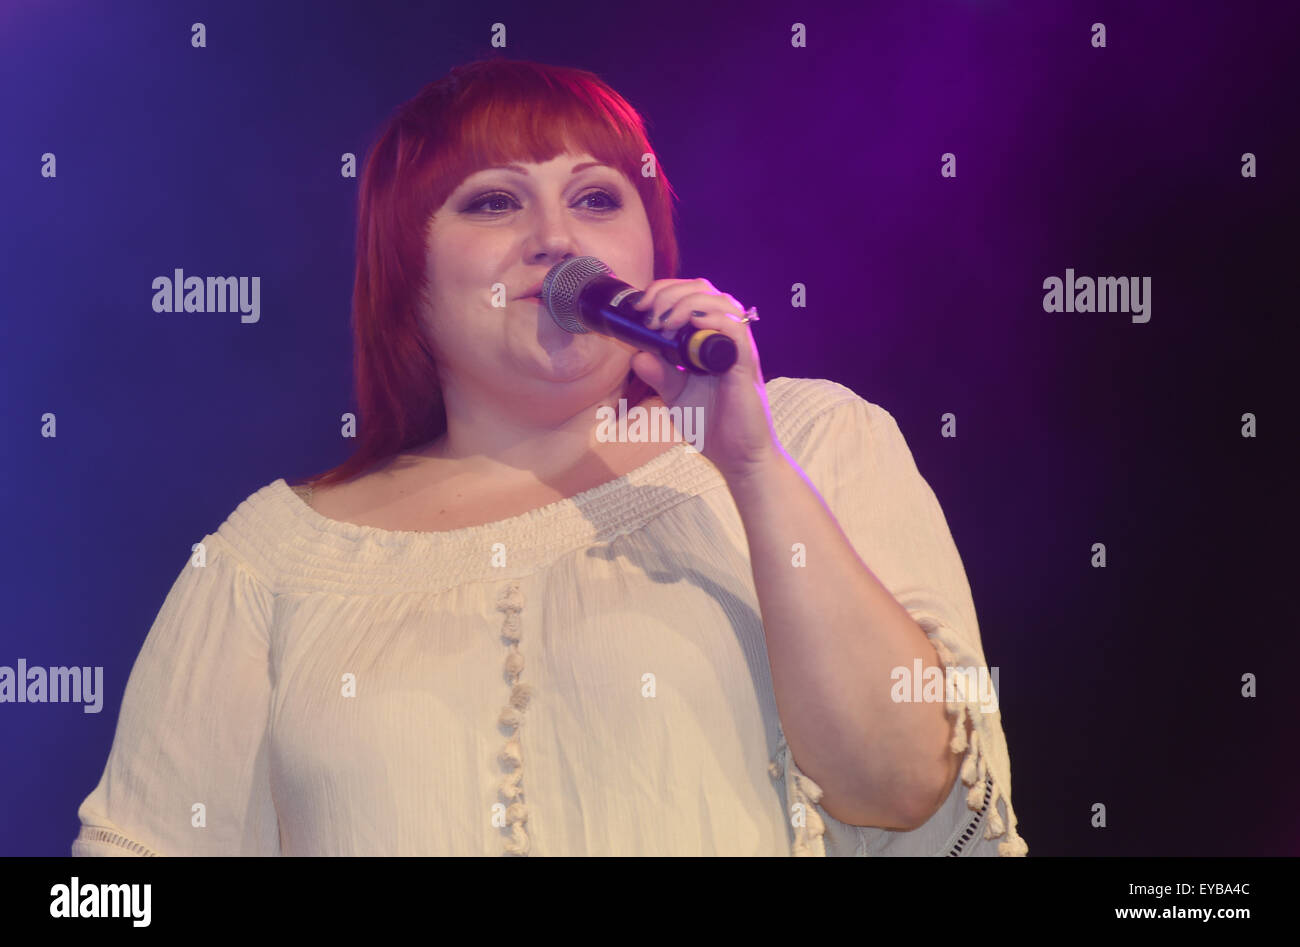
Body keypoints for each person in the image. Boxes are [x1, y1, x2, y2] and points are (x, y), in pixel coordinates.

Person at [71, 58, 1027, 857]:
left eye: (597, 198)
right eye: (494, 202)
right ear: (405, 278)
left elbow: (907, 784)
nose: (558, 238)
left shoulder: (807, 439)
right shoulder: (271, 558)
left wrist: (751, 468)